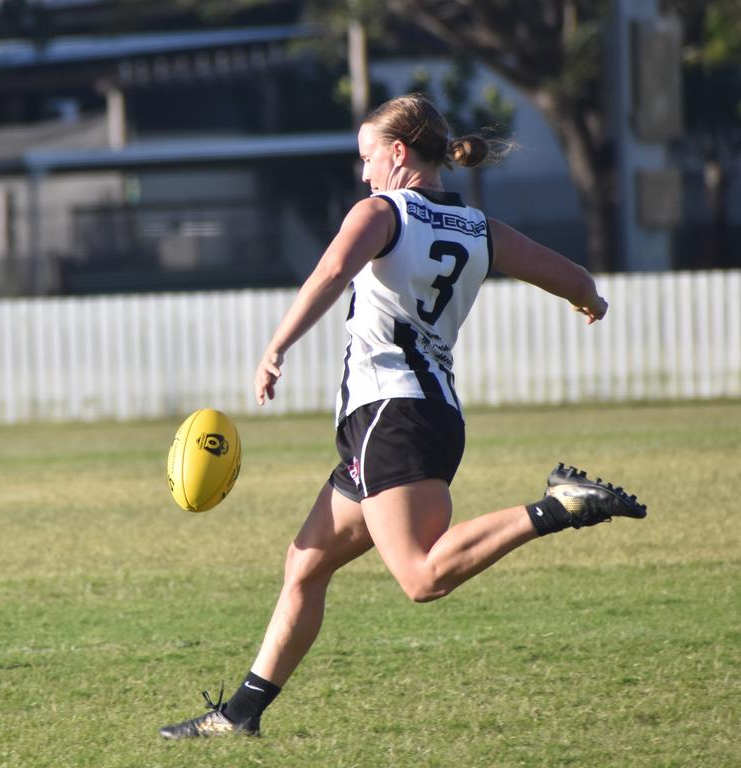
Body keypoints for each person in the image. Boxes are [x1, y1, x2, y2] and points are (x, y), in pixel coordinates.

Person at [159, 93, 647, 740]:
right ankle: (240, 715)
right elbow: (573, 277)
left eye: (367, 158)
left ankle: (557, 507)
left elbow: (335, 268)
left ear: (397, 154)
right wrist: (589, 299)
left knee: (420, 576)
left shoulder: (383, 210)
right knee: (305, 563)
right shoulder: (481, 228)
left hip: (392, 414)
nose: (363, 174)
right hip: (429, 417)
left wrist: (276, 348)